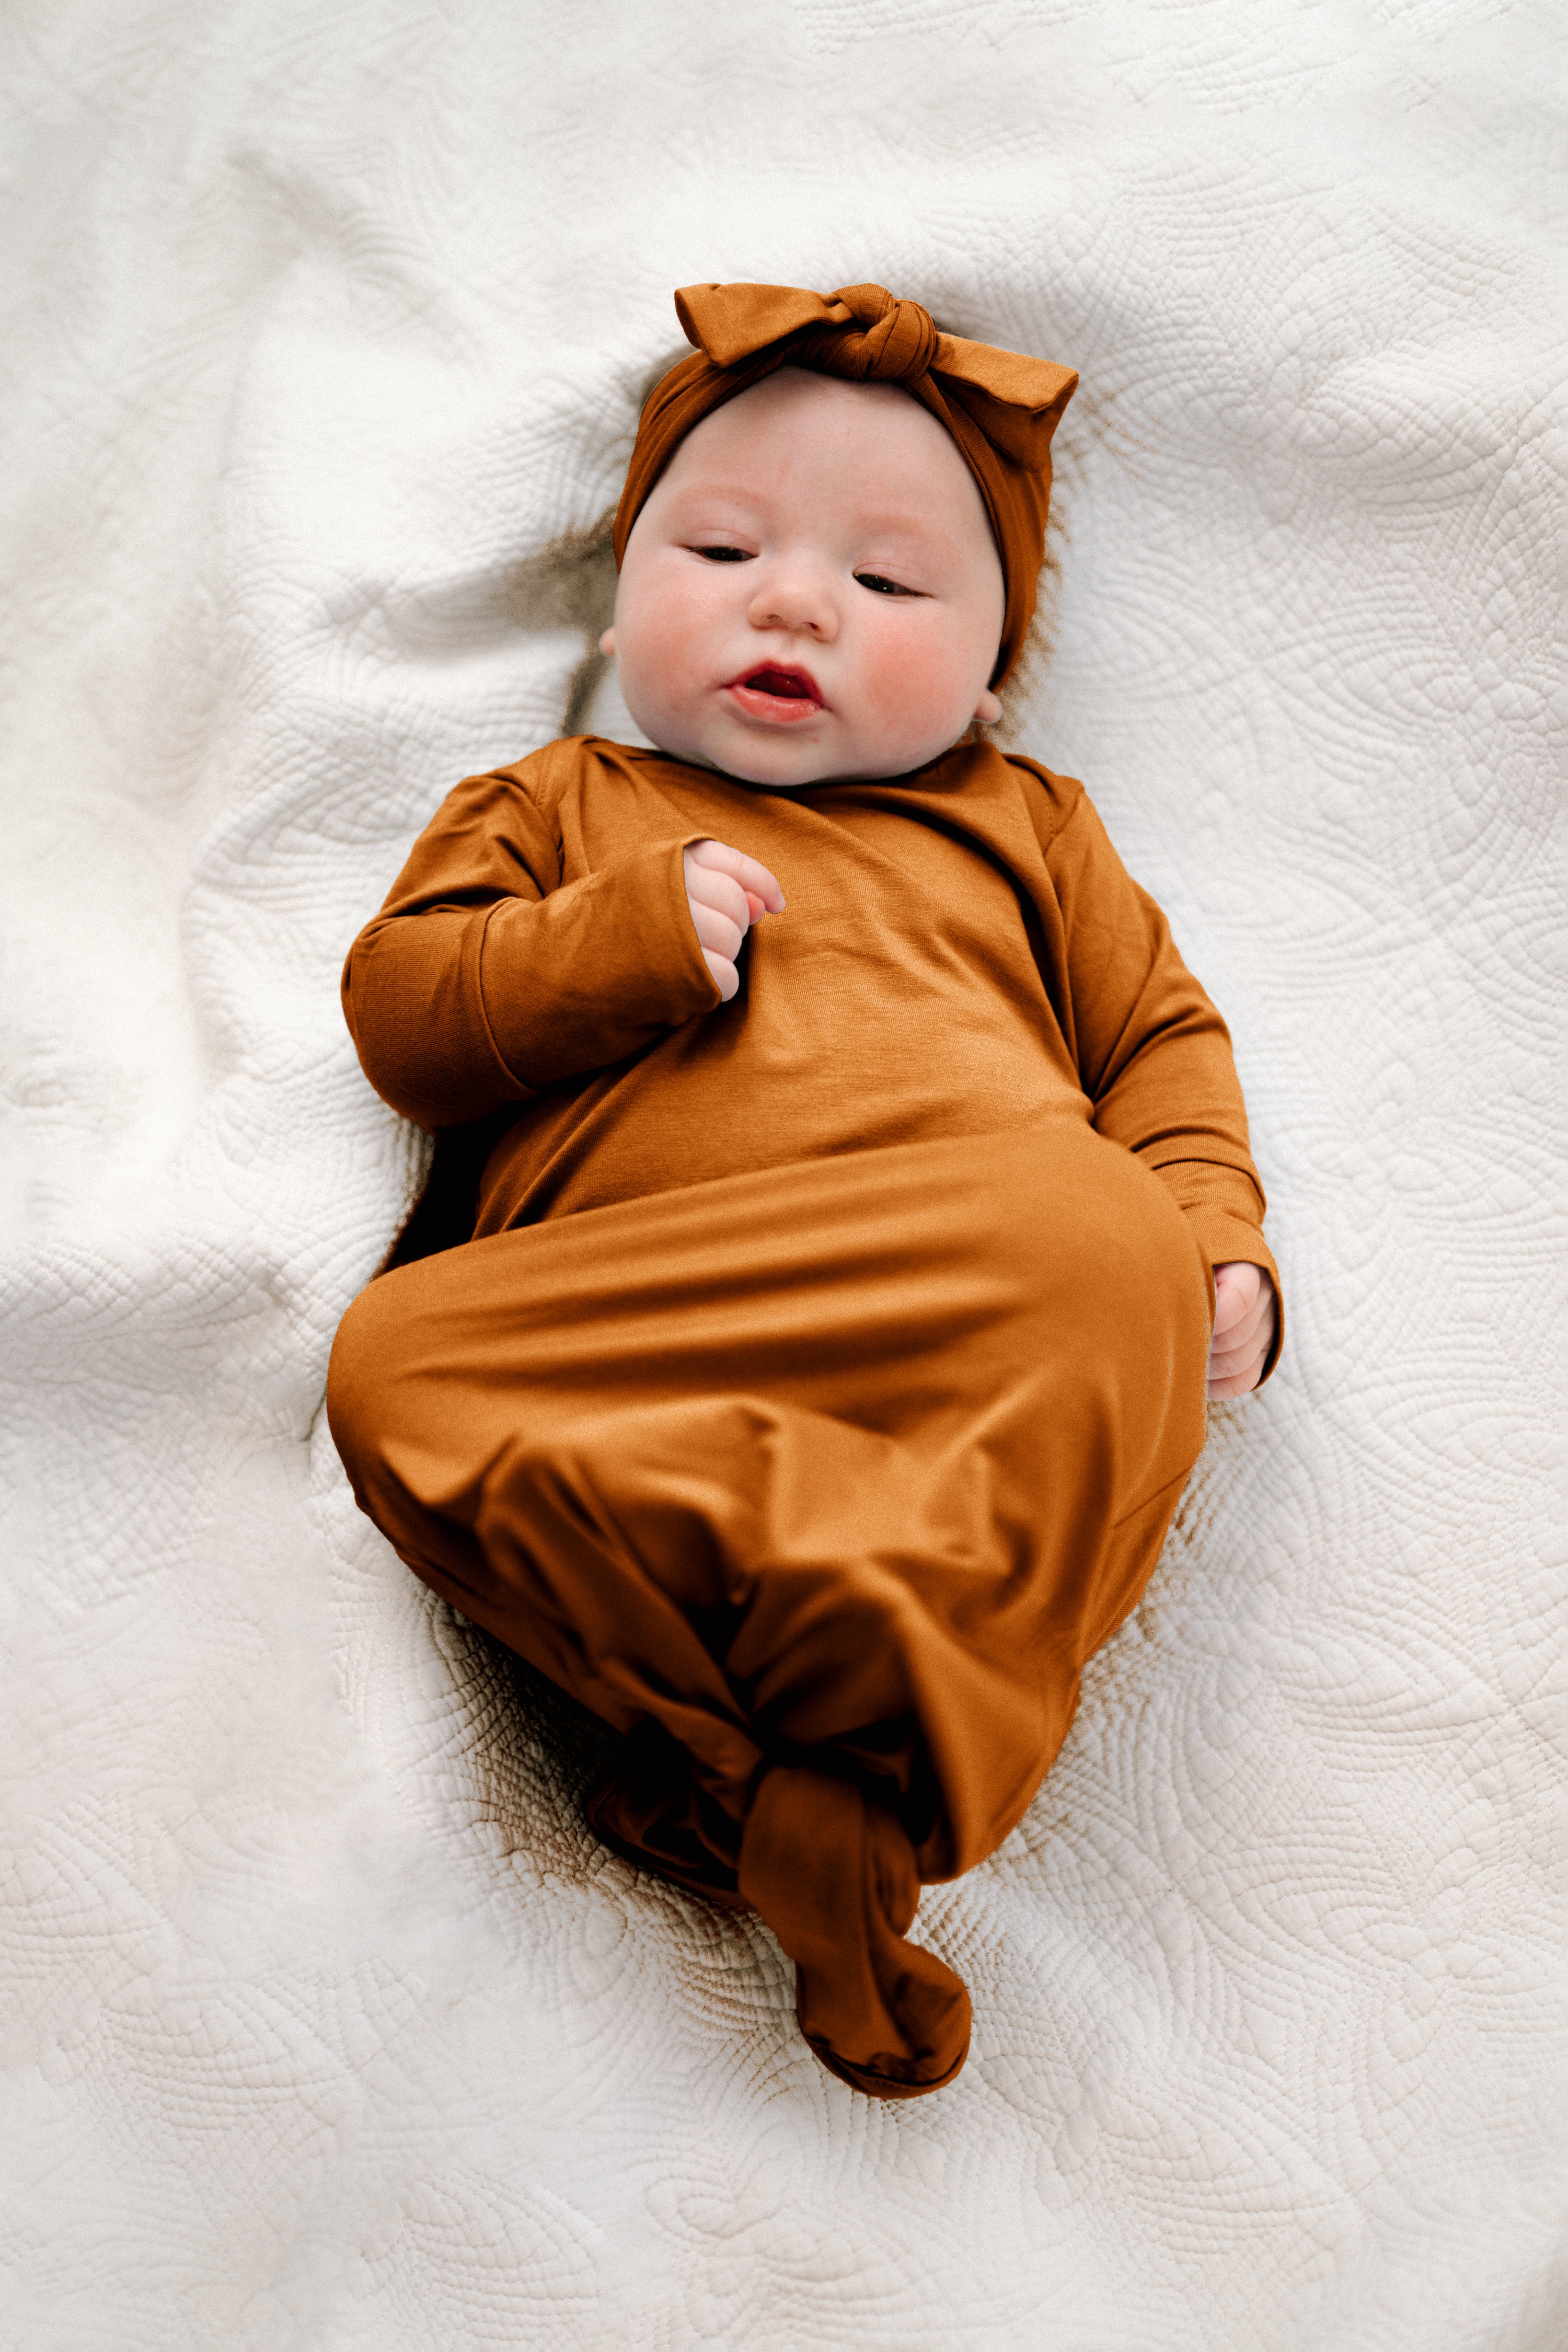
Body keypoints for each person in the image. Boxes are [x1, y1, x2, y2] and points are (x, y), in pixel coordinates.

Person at [327, 281, 1280, 2101]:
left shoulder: (1027, 825)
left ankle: (769, 1769)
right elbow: (406, 1013)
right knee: (396, 1367)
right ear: (623, 591)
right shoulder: (557, 798)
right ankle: (798, 1790)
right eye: (723, 543)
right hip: (659, 1317)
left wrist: (1212, 1233)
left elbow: (1158, 1041)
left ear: (995, 673)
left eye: (891, 582)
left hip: (964, 1307)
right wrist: (618, 937)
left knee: (1105, 1241)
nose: (792, 599)